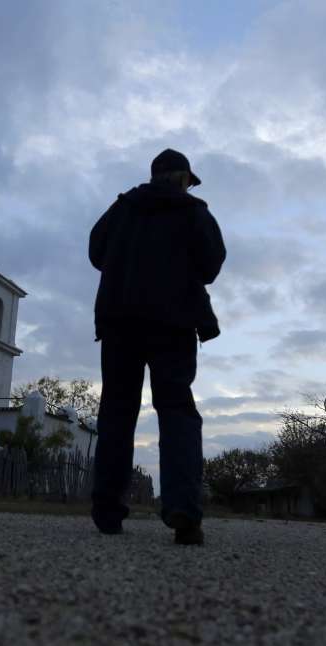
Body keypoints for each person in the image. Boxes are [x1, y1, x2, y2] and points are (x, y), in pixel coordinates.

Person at [88, 148, 226, 545]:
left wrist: (130, 263)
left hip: (120, 322)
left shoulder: (121, 209)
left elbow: (97, 252)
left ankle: (108, 513)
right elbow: (212, 265)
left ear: (154, 176)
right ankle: (183, 508)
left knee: (116, 411)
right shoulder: (194, 212)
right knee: (177, 410)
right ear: (183, 177)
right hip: (174, 324)